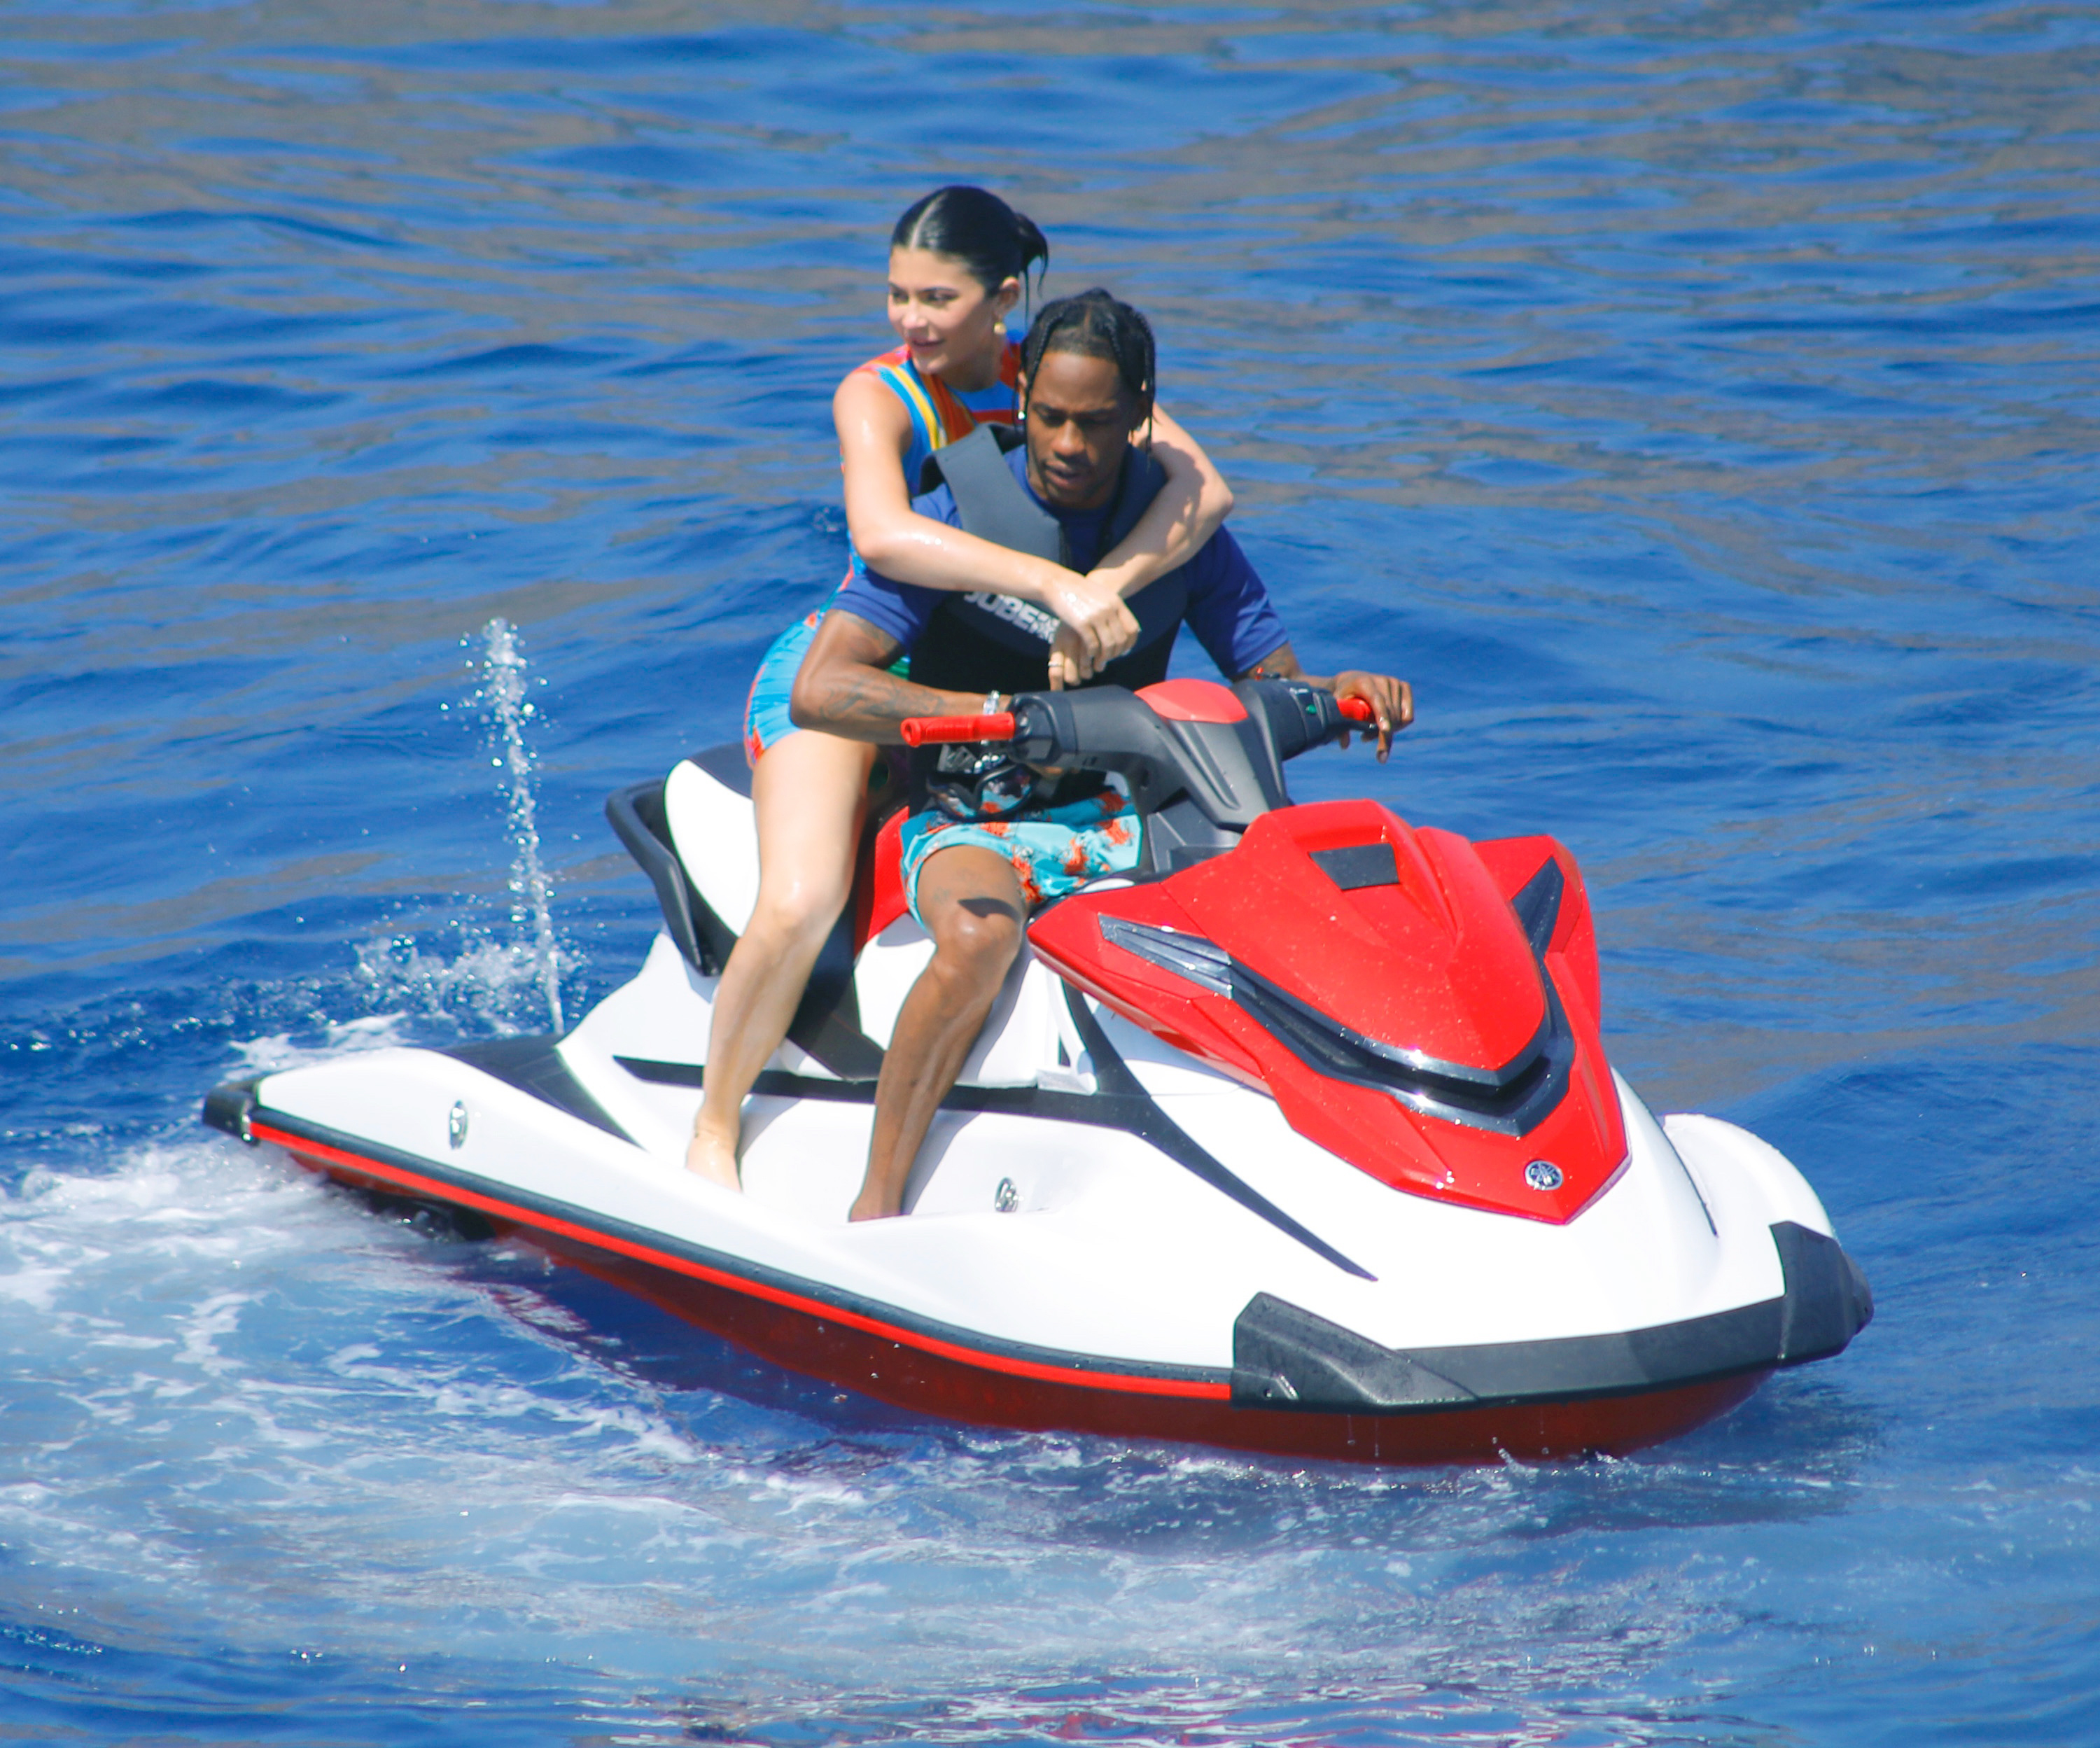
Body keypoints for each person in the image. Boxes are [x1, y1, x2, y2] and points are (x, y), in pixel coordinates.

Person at [790, 290, 1412, 1221]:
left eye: (1097, 422)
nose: (1070, 446)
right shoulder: (952, 516)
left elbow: (1268, 685)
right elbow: (824, 688)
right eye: (1049, 417)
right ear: (1023, 395)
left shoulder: (1182, 536)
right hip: (971, 818)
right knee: (979, 939)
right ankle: (876, 1204)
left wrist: (1344, 692)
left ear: (1141, 415)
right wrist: (995, 713)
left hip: (1128, 819)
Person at [687, 188, 1235, 1186]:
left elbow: (1203, 491)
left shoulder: (1059, 374)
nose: (911, 320)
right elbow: (883, 537)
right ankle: (714, 1128)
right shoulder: (880, 394)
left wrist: (1104, 592)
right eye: (896, 294)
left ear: (1005, 301)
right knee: (807, 893)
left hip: (984, 667)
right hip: (861, 667)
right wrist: (1051, 583)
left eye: (938, 296)